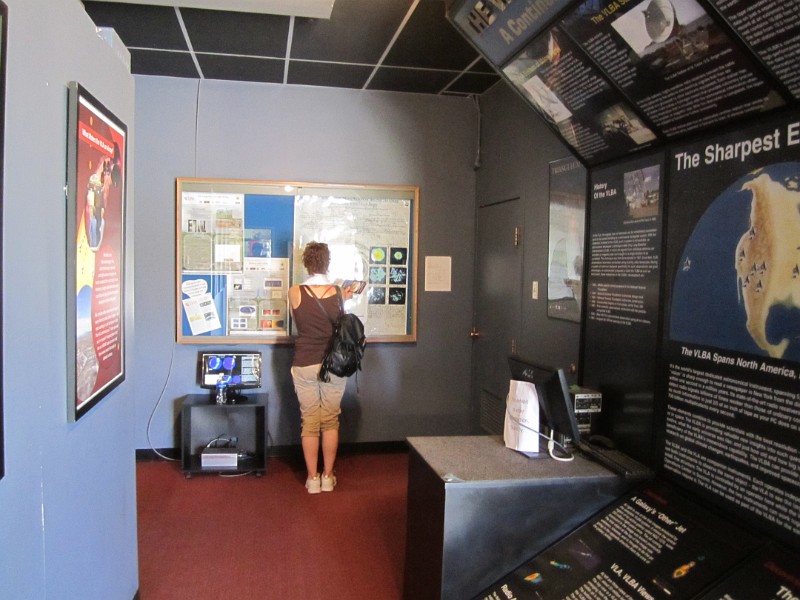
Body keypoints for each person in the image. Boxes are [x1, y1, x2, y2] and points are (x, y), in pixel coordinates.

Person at [288, 241, 353, 494]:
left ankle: (312, 479)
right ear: (327, 262)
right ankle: (328, 476)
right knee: (330, 421)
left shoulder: (295, 292)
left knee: (309, 422)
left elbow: (301, 321)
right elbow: (338, 321)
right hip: (333, 365)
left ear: (306, 263)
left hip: (304, 362)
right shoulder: (337, 292)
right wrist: (343, 298)